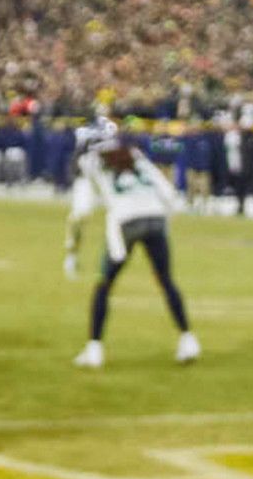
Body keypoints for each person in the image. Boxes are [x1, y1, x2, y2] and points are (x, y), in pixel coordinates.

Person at [64, 125, 197, 369]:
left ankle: (94, 348)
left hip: (125, 223)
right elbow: (167, 191)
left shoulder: (89, 161)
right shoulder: (133, 153)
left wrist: (71, 252)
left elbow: (81, 212)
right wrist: (165, 218)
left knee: (104, 285)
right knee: (166, 280)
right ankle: (188, 339)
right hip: (155, 217)